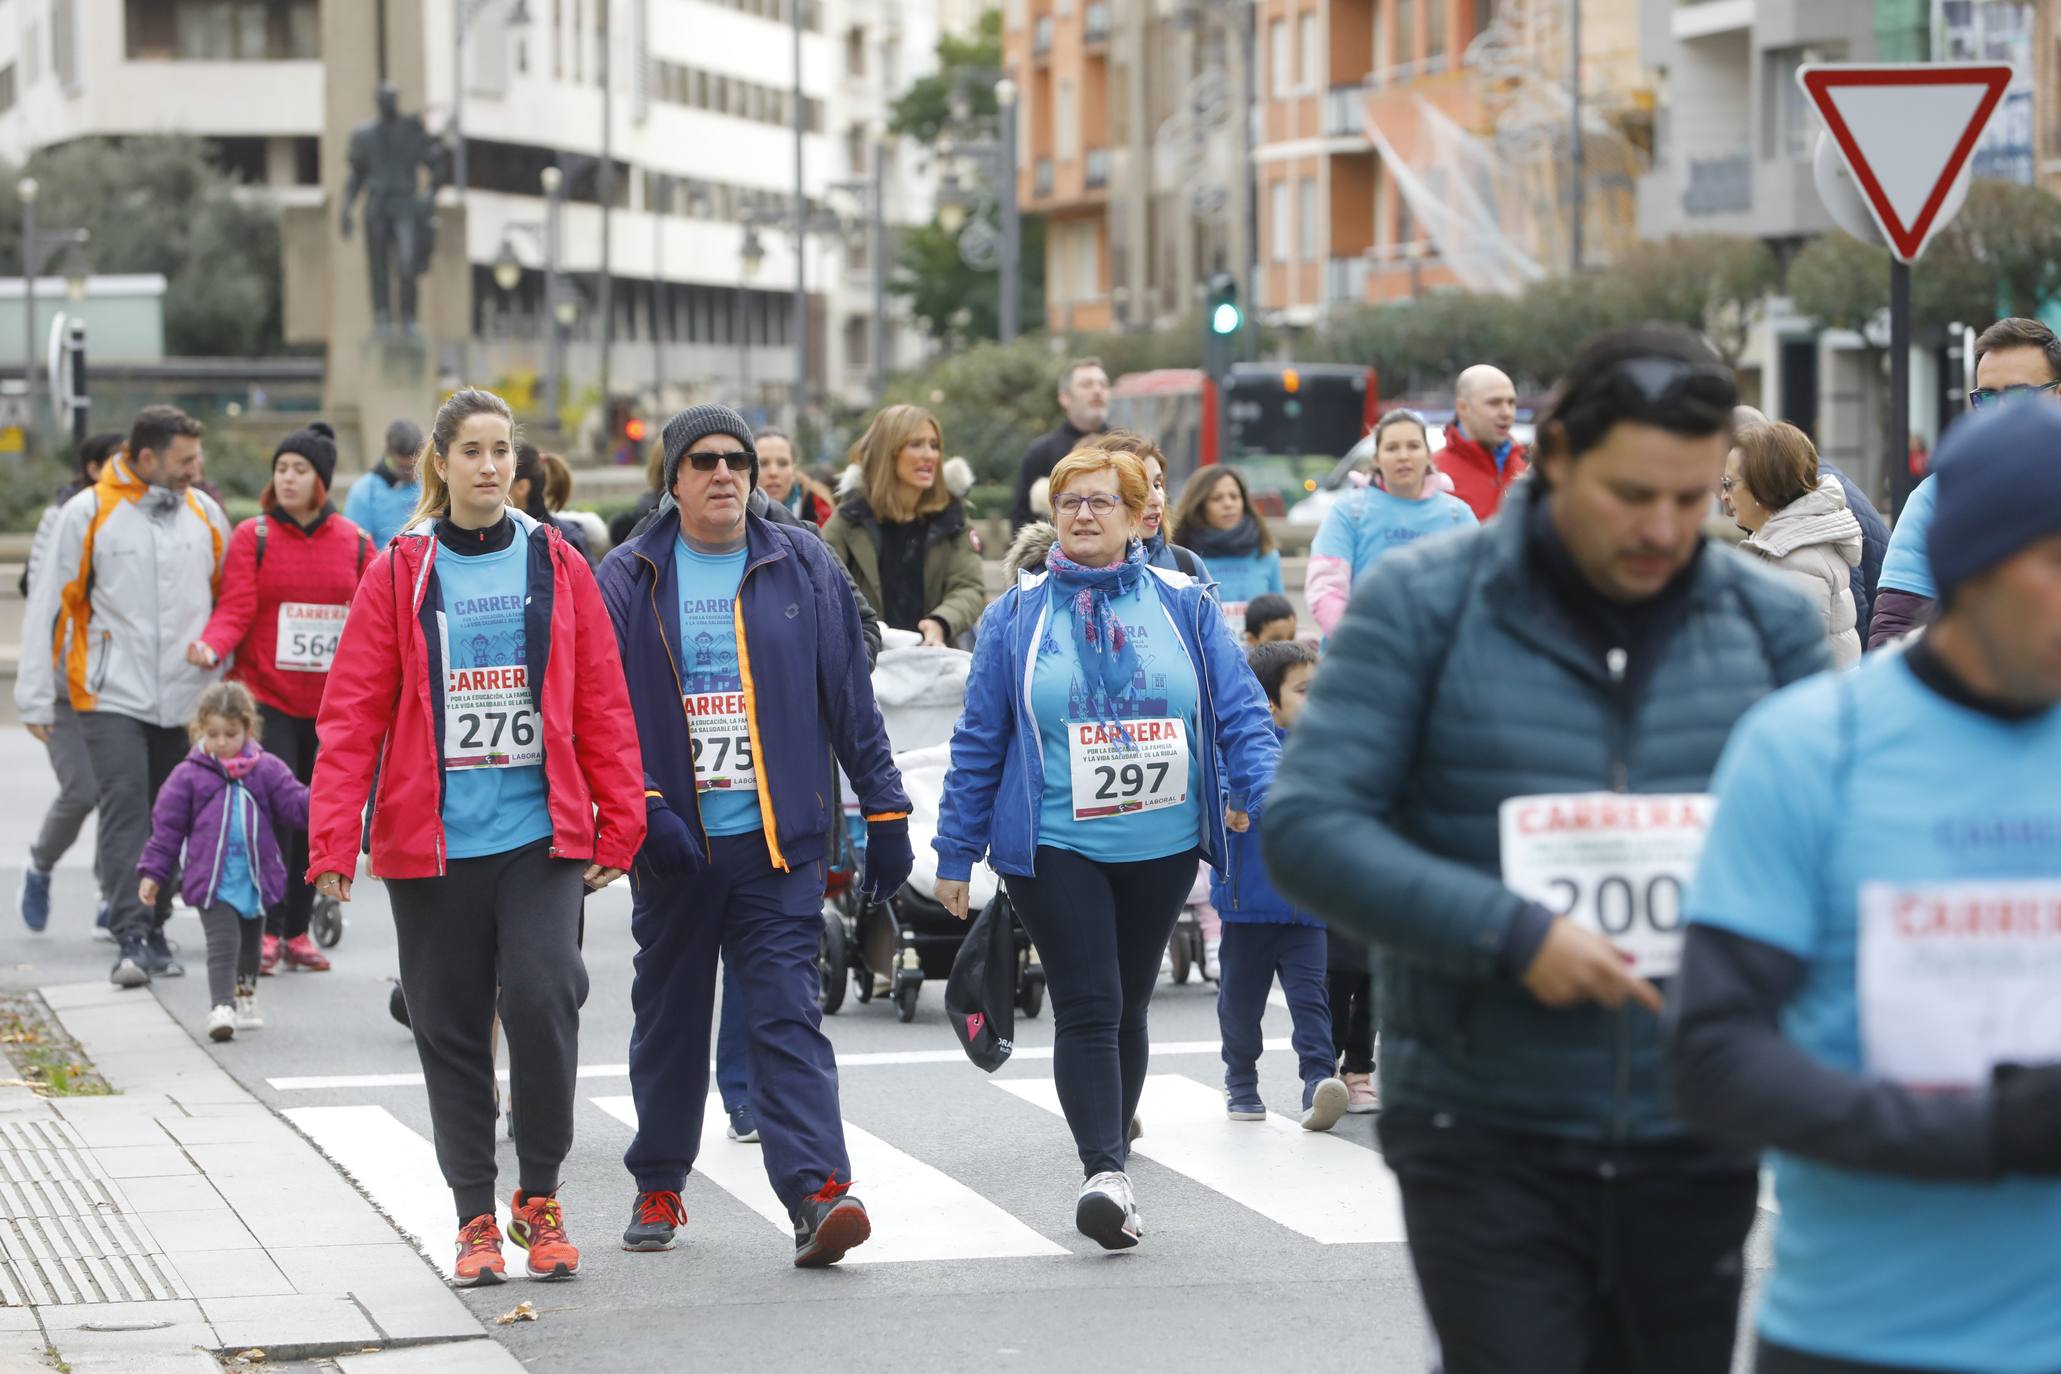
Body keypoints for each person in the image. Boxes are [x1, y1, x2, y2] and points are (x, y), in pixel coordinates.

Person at [1265, 325, 1833, 1374]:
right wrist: (1509, 932)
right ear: (1558, 454)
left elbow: (1839, 843)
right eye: (1632, 495)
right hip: (1485, 1118)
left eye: (1692, 498)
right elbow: (1308, 827)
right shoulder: (1423, 603)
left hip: (1691, 1118)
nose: (1663, 528)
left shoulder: (1765, 622)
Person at [1672, 399, 2061, 1374]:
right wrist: (1984, 1132)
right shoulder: (1807, 749)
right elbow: (1714, 1059)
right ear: (1969, 565)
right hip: (1864, 1337)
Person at [307, 388, 645, 1287]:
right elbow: (351, 716)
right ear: (442, 465)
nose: (492, 467)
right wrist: (333, 842)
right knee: (450, 1028)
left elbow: (602, 696)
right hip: (432, 843)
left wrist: (623, 816)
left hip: (540, 834)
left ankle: (538, 1195)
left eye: (503, 450)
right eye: (473, 452)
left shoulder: (556, 560)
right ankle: (473, 1219)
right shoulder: (400, 570)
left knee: (542, 996)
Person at [933, 446, 1279, 1250]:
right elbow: (980, 736)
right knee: (1086, 1002)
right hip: (1054, 839)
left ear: (1136, 516)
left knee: (1126, 999)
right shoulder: (1015, 613)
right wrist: (954, 848)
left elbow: (1240, 714)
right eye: (1068, 503)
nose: (1083, 515)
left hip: (1160, 843)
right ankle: (1103, 1172)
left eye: (1100, 502)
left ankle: (1111, 1147)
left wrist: (1268, 804)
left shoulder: (1184, 603)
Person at [597, 404, 911, 1268]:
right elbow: (599, 714)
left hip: (781, 845)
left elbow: (850, 697)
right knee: (669, 1019)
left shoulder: (799, 560)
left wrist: (884, 810)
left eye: (736, 459)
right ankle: (658, 1179)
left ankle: (817, 1194)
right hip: (674, 848)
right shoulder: (627, 577)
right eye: (703, 461)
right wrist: (644, 808)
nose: (725, 473)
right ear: (673, 479)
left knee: (785, 1015)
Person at [17, 406, 229, 987]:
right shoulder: (85, 513)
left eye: (198, 458)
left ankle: (156, 926)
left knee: (171, 812)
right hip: (110, 692)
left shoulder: (206, 514)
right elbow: (49, 608)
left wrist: (224, 682)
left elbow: (228, 603)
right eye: (185, 460)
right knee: (126, 805)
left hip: (185, 695)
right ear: (145, 458)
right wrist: (35, 696)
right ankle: (130, 932)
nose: (196, 470)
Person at [190, 422, 372, 976]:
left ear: (321, 479)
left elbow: (372, 625)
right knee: (270, 814)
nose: (287, 478)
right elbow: (237, 609)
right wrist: (211, 645)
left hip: (329, 708)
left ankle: (296, 930)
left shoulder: (357, 543)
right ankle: (267, 930)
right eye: (281, 469)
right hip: (265, 699)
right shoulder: (255, 537)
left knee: (313, 817)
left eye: (299, 470)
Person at [1214, 639, 1346, 1130]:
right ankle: (1242, 1082)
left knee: (1312, 1002)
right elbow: (1221, 797)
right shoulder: (1235, 750)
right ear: (1268, 702)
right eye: (1306, 691)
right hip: (1246, 909)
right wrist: (1235, 805)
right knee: (1241, 1008)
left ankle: (1318, 1083)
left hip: (1305, 910)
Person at [1871, 316, 2061, 648]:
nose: (2000, 410)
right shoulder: (1936, 498)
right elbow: (1894, 635)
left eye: (2019, 395)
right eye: (1986, 397)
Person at [137, 683, 307, 1042]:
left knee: (250, 943)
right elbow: (166, 829)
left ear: (248, 729)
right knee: (223, 942)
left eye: (231, 734)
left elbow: (295, 805)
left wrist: (328, 796)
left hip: (255, 877)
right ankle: (221, 1005)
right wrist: (154, 873)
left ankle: (246, 996)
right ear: (199, 730)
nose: (222, 742)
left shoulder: (266, 770)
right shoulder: (188, 776)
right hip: (210, 879)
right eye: (212, 734)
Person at [18, 431, 123, 935]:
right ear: (91, 466)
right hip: (66, 684)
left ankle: (111, 894)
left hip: (113, 687)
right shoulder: (63, 516)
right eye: (114, 461)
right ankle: (39, 867)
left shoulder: (136, 513)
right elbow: (42, 598)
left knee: (120, 791)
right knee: (82, 791)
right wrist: (35, 691)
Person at [821, 404, 985, 648]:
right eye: (916, 444)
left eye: (934, 445)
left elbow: (969, 588)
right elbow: (822, 586)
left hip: (935, 660)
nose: (930, 455)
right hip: (869, 664)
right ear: (888, 452)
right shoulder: (848, 520)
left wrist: (941, 622)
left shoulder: (953, 519)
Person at [1307, 408, 1478, 637]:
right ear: (1376, 459)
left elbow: (1479, 589)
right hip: (1364, 656)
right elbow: (1326, 588)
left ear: (1428, 455)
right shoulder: (1349, 510)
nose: (1403, 456)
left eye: (1413, 446)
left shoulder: (1458, 514)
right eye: (1392, 448)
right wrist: (1355, 641)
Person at [1734, 405, 1887, 640]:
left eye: (1728, 481)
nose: (1722, 494)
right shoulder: (1798, 494)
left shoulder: (1802, 537)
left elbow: (1848, 621)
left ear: (1757, 475)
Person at [1724, 422, 1864, 668]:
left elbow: (1798, 667)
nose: (1724, 495)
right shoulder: (1785, 544)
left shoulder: (1796, 559)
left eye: (1729, 483)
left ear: (1761, 486)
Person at [1010, 357, 1111, 532]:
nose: (1097, 390)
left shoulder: (1128, 448)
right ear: (1065, 398)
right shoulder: (1041, 453)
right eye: (1087, 385)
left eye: (1103, 384)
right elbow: (1021, 521)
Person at [1169, 466, 1285, 617]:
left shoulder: (1265, 553)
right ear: (1199, 505)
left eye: (1234, 496)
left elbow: (1281, 615)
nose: (1228, 504)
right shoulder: (1181, 557)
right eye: (1217, 498)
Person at [1442, 364, 1530, 519]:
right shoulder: (1433, 474)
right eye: (1494, 403)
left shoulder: (1526, 470)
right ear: (1462, 407)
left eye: (1511, 402)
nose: (1507, 413)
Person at [343, 417, 424, 549]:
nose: (410, 474)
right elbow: (355, 547)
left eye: (414, 466)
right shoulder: (364, 492)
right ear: (387, 452)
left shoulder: (433, 485)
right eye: (403, 468)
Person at [756, 427, 832, 525]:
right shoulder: (734, 514)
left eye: (783, 463)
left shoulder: (820, 512)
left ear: (794, 468)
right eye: (763, 463)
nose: (773, 472)